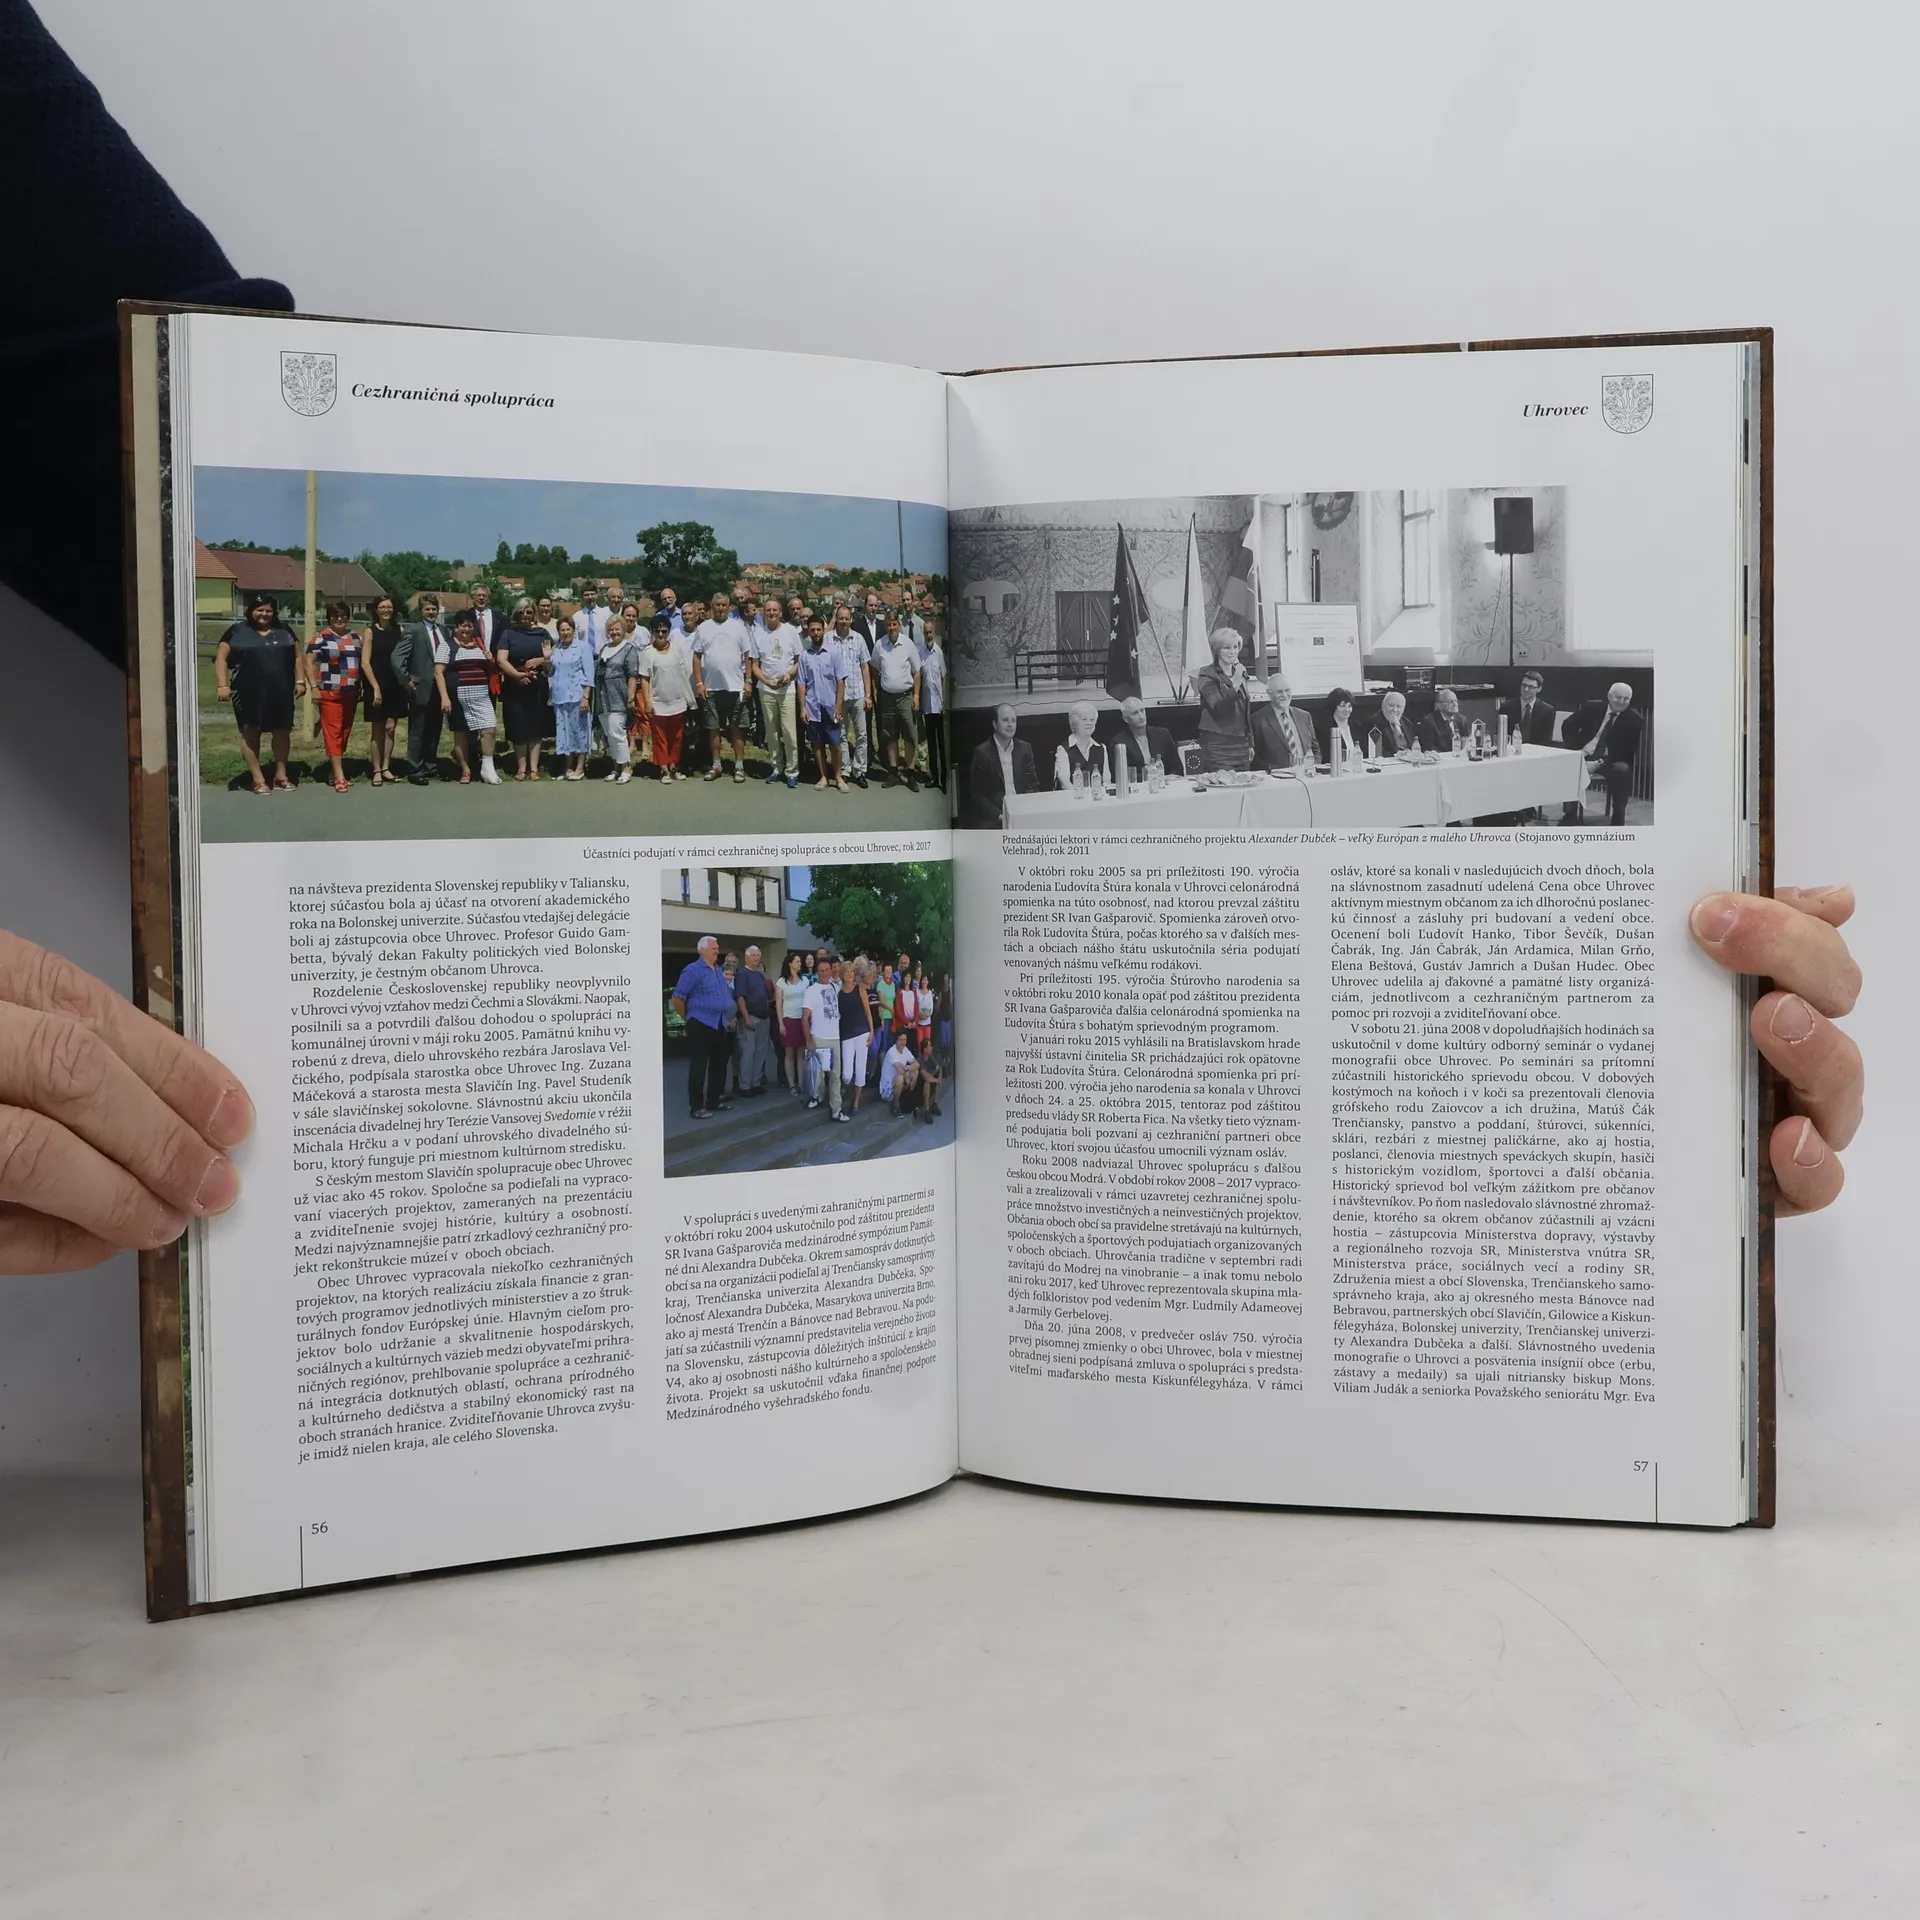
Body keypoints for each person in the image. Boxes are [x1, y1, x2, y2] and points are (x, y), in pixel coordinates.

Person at [213, 591, 298, 793]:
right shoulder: (236, 631)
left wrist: (301, 681)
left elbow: (297, 656)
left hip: (281, 690)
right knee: (251, 732)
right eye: (259, 610)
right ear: (251, 610)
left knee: (282, 732)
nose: (264, 614)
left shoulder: (284, 630)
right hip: (247, 691)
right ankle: (258, 779)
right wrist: (223, 685)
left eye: (269, 611)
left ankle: (281, 776)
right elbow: (221, 658)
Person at [670, 935, 736, 1119]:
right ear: (702, 950)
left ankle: (714, 1101)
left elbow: (722, 996)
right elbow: (678, 997)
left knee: (719, 1063)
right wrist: (688, 1018)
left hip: (718, 1022)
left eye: (717, 948)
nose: (717, 951)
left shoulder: (718, 970)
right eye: (714, 948)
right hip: (700, 1022)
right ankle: (697, 1107)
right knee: (699, 1065)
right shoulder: (692, 970)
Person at [1563, 681, 1646, 826]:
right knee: (1569, 766)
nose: (1621, 702)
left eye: (1626, 699)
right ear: (1609, 696)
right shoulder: (1591, 708)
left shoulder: (1634, 719)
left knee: (1623, 770)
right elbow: (1567, 725)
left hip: (1610, 760)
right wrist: (1575, 751)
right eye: (1618, 697)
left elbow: (1627, 751)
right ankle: (1570, 814)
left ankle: (1618, 818)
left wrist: (1599, 763)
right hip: (1583, 754)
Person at [304, 598, 364, 793]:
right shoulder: (321, 638)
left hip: (351, 692)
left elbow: (362, 663)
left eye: (343, 616)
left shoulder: (356, 637)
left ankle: (333, 770)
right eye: (335, 616)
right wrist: (313, 687)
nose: (339, 619)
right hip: (329, 691)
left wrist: (362, 685)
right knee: (333, 732)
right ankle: (339, 775)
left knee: (344, 731)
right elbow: (308, 662)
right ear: (329, 618)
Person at [691, 590, 751, 781]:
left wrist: (748, 681)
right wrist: (699, 683)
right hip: (711, 688)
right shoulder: (703, 628)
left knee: (737, 728)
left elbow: (748, 656)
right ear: (711, 607)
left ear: (729, 607)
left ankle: (739, 766)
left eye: (724, 605)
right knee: (713, 728)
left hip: (735, 687)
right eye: (717, 605)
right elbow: (697, 656)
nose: (720, 608)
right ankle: (716, 765)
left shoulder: (738, 627)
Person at [393, 592, 451, 783]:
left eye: (434, 609)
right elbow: (397, 658)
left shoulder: (444, 631)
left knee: (435, 729)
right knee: (418, 730)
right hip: (420, 687)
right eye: (427, 609)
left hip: (440, 688)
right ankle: (414, 768)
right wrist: (407, 681)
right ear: (421, 611)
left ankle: (430, 765)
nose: (431, 612)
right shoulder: (413, 630)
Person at [747, 596, 802, 788]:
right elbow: (754, 664)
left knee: (789, 731)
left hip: (787, 689)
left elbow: (799, 660)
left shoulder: (790, 632)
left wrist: (789, 675)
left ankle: (792, 771)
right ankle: (777, 768)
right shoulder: (757, 634)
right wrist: (765, 680)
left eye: (775, 610)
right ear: (764, 613)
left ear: (780, 612)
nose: (771, 613)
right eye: (768, 610)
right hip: (766, 689)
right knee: (772, 732)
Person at [494, 597, 552, 781]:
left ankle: (534, 769)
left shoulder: (542, 633)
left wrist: (540, 660)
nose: (525, 615)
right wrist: (517, 675)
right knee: (518, 726)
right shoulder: (508, 633)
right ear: (516, 614)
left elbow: (552, 656)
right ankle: (521, 768)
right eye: (522, 612)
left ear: (534, 613)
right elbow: (501, 659)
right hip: (515, 685)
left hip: (537, 685)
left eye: (529, 612)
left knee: (535, 728)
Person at [444, 610, 501, 783]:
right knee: (461, 734)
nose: (467, 629)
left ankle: (487, 768)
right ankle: (465, 770)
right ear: (456, 627)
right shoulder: (448, 645)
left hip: (481, 696)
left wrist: (490, 659)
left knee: (490, 728)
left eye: (469, 626)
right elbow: (438, 673)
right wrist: (444, 697)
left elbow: (490, 668)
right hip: (458, 697)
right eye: (463, 626)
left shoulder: (479, 644)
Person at [636, 615, 695, 780]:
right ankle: (664, 769)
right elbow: (645, 679)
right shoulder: (648, 653)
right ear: (652, 632)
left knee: (677, 737)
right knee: (660, 737)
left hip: (678, 701)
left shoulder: (676, 649)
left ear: (669, 631)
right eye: (657, 631)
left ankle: (673, 766)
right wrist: (647, 702)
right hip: (658, 702)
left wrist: (688, 699)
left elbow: (683, 674)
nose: (661, 634)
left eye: (664, 631)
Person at [872, 611, 922, 788]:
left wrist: (916, 695)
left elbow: (917, 672)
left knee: (909, 735)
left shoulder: (908, 644)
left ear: (899, 625)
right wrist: (875, 689)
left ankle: (910, 773)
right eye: (889, 624)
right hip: (887, 698)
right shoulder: (880, 645)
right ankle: (893, 772)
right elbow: (874, 668)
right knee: (890, 735)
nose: (892, 627)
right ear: (885, 626)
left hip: (905, 697)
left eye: (894, 624)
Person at [966, 702, 1038, 826]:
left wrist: (1024, 808)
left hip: (1022, 812)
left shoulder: (1025, 749)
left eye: (1013, 720)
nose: (1010, 725)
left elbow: (1033, 784)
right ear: (995, 724)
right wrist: (999, 816)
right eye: (1005, 720)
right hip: (994, 817)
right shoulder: (982, 752)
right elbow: (977, 794)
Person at [360, 592, 406, 786]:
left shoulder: (400, 630)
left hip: (395, 686)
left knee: (390, 729)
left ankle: (386, 767)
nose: (386, 610)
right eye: (382, 607)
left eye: (389, 606)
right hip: (376, 686)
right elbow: (365, 662)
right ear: (376, 610)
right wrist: (375, 687)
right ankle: (376, 770)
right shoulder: (370, 632)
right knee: (377, 730)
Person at [798, 614, 847, 792]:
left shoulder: (834, 653)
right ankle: (823, 776)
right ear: (809, 631)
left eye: (819, 629)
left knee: (835, 744)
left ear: (823, 629)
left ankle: (838, 777)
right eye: (813, 630)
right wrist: (803, 708)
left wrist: (838, 707)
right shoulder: (804, 656)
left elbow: (841, 681)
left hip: (830, 707)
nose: (816, 633)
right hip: (813, 707)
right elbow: (801, 683)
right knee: (817, 744)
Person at [1193, 627, 1253, 772]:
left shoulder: (1239, 672)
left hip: (1241, 744)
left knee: (1244, 783)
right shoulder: (1207, 674)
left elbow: (1245, 711)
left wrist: (1251, 742)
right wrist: (1236, 682)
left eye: (1235, 647)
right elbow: (1218, 706)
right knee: (1222, 783)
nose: (1232, 651)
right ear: (1217, 650)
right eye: (1227, 648)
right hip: (1217, 743)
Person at [593, 615, 644, 784]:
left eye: (617, 629)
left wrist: (630, 698)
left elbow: (632, 676)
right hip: (602, 699)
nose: (614, 632)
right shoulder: (604, 649)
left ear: (623, 630)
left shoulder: (629, 649)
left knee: (618, 733)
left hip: (618, 697)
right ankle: (616, 767)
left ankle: (626, 768)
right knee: (610, 735)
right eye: (611, 629)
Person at [546, 612, 595, 779]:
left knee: (580, 731)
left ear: (573, 631)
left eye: (568, 629)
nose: (565, 633)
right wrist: (547, 659)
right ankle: (567, 767)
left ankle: (580, 767)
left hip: (577, 696)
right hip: (559, 697)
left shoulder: (583, 647)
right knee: (565, 733)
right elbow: (550, 672)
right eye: (562, 630)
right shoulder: (556, 649)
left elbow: (589, 675)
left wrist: (586, 697)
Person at [831, 602, 874, 787]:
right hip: (839, 696)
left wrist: (868, 695)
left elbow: (865, 667)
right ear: (836, 619)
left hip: (857, 694)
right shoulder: (828, 639)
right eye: (841, 618)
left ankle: (859, 770)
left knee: (862, 735)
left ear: (851, 620)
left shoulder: (858, 639)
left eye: (847, 618)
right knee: (841, 735)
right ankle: (845, 770)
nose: (844, 621)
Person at [801, 952, 847, 1121]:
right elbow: (805, 1017)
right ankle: (817, 1096)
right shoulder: (810, 991)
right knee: (818, 1075)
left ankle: (836, 1109)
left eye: (827, 970)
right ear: (817, 972)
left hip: (835, 1037)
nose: (825, 973)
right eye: (821, 970)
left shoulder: (835, 988)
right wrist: (808, 1039)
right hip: (818, 1037)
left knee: (835, 1076)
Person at [1250, 673, 1318, 772]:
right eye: (1279, 691)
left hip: (1307, 775)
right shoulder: (1257, 720)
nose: (1284, 695)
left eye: (1287, 690)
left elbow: (1315, 749)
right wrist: (1276, 771)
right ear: (1269, 693)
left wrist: (1312, 767)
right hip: (1276, 777)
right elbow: (1254, 758)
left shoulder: (1304, 716)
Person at [734, 945, 776, 1097]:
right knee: (748, 1052)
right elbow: (740, 997)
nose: (757, 958)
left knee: (760, 1052)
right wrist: (746, 1017)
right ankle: (745, 1085)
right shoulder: (742, 974)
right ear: (747, 958)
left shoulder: (759, 975)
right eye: (754, 955)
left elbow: (768, 995)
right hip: (750, 1018)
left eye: (758, 955)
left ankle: (755, 1083)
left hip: (764, 1018)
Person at [1109, 695, 1179, 781]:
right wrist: (1150, 777)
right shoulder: (1119, 742)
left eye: (1142, 711)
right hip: (1138, 786)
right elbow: (1121, 775)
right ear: (1126, 719)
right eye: (1135, 713)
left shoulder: (1162, 734)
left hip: (1166, 784)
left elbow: (1177, 767)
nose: (1141, 716)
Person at [839, 957, 876, 1115]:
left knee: (860, 1069)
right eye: (846, 971)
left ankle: (856, 1103)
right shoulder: (839, 993)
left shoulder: (860, 989)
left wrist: (872, 1031)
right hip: (847, 1034)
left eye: (852, 971)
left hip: (862, 1032)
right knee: (847, 1074)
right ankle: (846, 1088)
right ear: (842, 974)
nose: (849, 974)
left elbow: (868, 1011)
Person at [1053, 699, 1108, 790]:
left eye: (1092, 719)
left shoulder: (1102, 748)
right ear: (1074, 723)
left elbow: (1106, 781)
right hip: (1071, 797)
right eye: (1084, 719)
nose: (1089, 723)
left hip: (1096, 796)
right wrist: (1081, 796)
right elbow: (1065, 784)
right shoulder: (1063, 749)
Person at [920, 624, 949, 791]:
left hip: (938, 705)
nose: (928, 635)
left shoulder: (938, 652)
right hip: (926, 704)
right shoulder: (921, 652)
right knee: (930, 742)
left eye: (930, 632)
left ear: (934, 632)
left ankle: (944, 778)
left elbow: (943, 678)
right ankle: (934, 776)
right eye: (926, 632)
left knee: (941, 743)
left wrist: (944, 701)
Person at [778, 950, 810, 1094]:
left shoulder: (805, 981)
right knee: (789, 1053)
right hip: (788, 1019)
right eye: (797, 961)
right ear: (790, 963)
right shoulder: (781, 982)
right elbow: (778, 1004)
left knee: (801, 1053)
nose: (800, 963)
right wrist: (781, 1024)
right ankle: (792, 1084)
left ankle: (801, 1083)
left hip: (802, 1020)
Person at [1500, 668, 1558, 747]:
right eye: (1524, 685)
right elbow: (1501, 736)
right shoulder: (1506, 707)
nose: (1526, 689)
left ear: (1539, 689)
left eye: (1531, 687)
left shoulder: (1547, 711)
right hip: (1512, 750)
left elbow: (1545, 741)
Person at [879, 1027, 920, 1114]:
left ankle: (909, 1097)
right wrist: (906, 1074)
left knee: (915, 1072)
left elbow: (917, 1064)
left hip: (899, 1085)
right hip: (887, 1089)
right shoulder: (892, 1052)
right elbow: (900, 1071)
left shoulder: (905, 1050)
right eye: (900, 1040)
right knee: (900, 1078)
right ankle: (895, 1105)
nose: (902, 1042)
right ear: (896, 1041)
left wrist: (907, 1068)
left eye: (904, 1040)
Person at [1417, 684, 1468, 754]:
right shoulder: (1429, 722)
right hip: (1440, 757)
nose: (1455, 704)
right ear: (1439, 705)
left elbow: (1467, 740)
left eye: (1456, 701)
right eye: (1450, 702)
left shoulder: (1462, 720)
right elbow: (1428, 747)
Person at [1375, 689, 1418, 757]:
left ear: (1403, 709)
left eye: (1398, 706)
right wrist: (1397, 755)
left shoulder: (1407, 723)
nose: (1395, 710)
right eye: (1391, 705)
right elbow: (1376, 751)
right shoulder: (1373, 723)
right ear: (1383, 705)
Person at [571, 580, 612, 651]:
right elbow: (575, 640)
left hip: (603, 655)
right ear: (582, 597)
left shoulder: (606, 615)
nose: (590, 597)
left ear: (596, 595)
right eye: (586, 595)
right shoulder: (576, 617)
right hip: (584, 655)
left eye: (592, 594)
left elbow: (611, 636)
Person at [468, 582, 505, 656]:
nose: (481, 598)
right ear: (473, 597)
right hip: (472, 658)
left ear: (489, 598)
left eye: (484, 595)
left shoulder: (500, 618)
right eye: (478, 595)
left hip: (494, 659)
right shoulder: (466, 616)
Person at [1325, 687, 1359, 764]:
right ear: (1334, 707)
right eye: (1342, 706)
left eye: (1349, 706)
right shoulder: (1326, 729)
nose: (1347, 709)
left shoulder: (1356, 726)